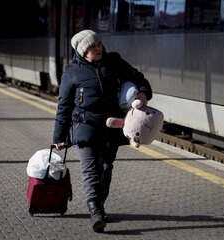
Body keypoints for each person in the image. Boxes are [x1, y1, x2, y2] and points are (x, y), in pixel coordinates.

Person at [53, 29, 152, 233]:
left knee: (106, 168)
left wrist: (142, 93)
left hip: (112, 127)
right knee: (90, 169)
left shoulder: (113, 61)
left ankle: (100, 205)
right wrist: (59, 137)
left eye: (98, 44)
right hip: (85, 128)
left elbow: (139, 77)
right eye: (92, 46)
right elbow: (64, 106)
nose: (98, 48)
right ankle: (95, 211)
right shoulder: (72, 72)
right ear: (82, 51)